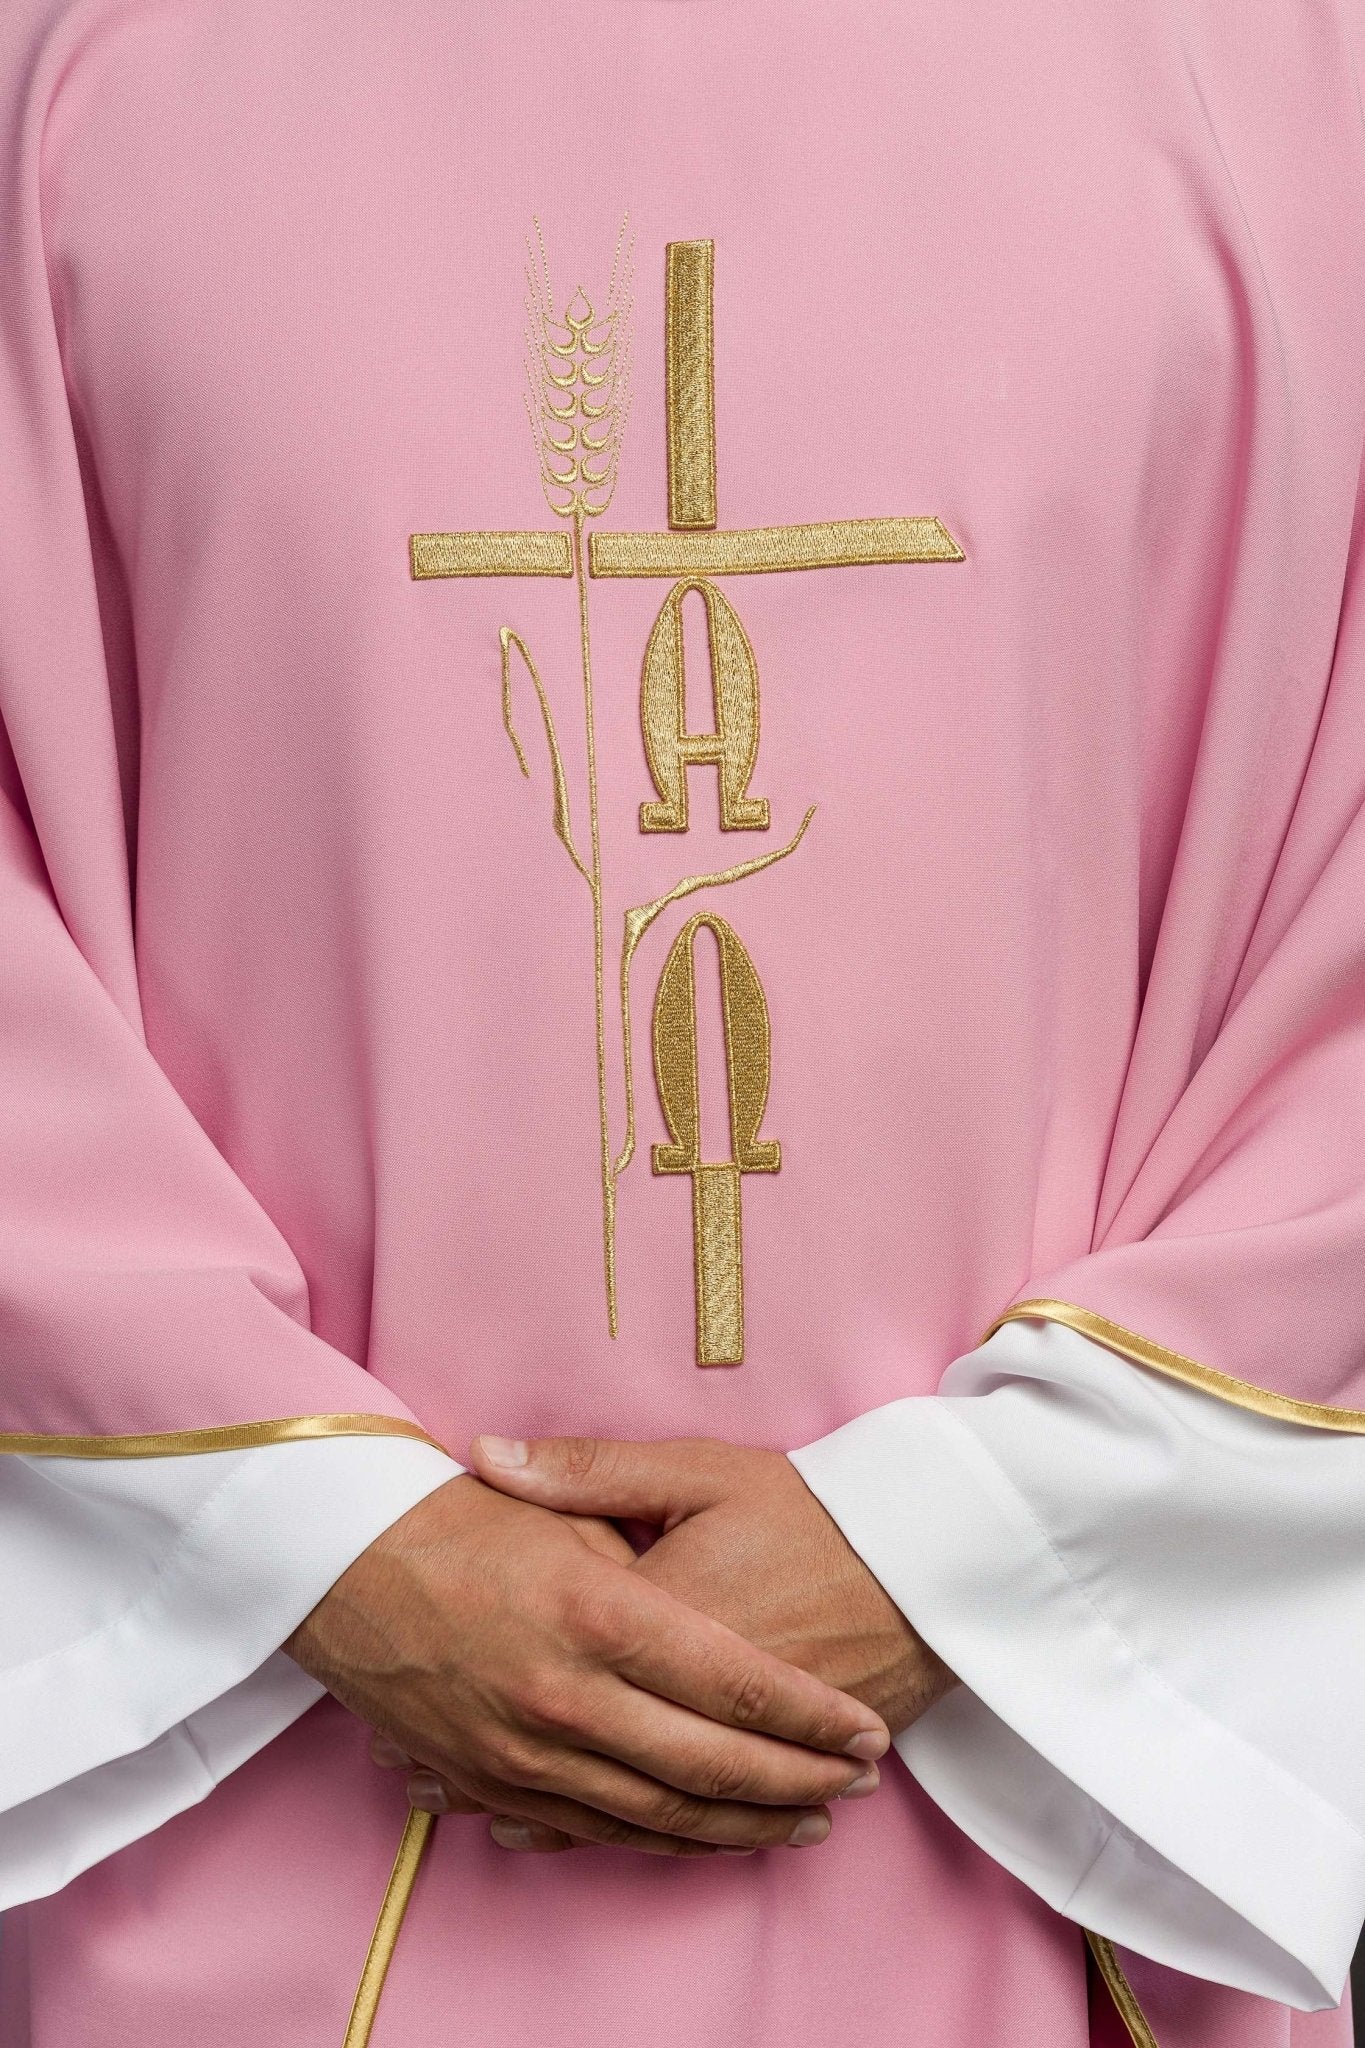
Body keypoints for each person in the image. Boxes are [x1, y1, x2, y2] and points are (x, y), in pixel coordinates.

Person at [2, 1, 1364, 2043]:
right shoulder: (72, 61)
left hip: (1016, 1844)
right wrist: (303, 1523)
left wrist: (958, 1541)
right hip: (261, 1822)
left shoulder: (1281, 67)